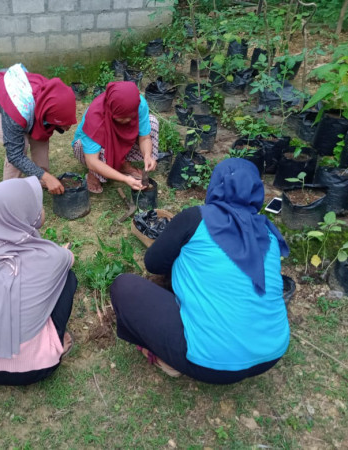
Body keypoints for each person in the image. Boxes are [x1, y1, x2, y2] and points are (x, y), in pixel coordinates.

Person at [111, 158, 290, 384]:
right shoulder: (270, 234)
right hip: (271, 354)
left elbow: (153, 263)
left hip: (211, 363)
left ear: (215, 185)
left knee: (124, 286)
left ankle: (168, 357)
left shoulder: (196, 218)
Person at [0, 176, 77, 385]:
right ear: (25, 214)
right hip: (37, 368)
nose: (41, 209)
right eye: (37, 206)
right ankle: (56, 338)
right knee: (67, 278)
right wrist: (60, 255)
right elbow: (69, 260)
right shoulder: (52, 256)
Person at [0, 63, 77, 195]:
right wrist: (46, 176)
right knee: (21, 145)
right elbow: (15, 155)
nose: (68, 127)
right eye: (65, 123)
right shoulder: (17, 112)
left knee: (41, 132)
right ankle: (8, 192)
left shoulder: (48, 95)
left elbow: (42, 132)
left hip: (10, 93)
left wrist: (43, 176)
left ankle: (41, 179)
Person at [72, 81, 159, 194]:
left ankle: (123, 165)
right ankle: (93, 175)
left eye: (130, 117)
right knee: (84, 145)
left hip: (120, 141)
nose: (127, 121)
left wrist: (147, 155)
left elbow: (145, 138)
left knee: (152, 122)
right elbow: (92, 161)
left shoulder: (139, 104)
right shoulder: (95, 116)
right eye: (121, 118)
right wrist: (125, 179)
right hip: (92, 152)